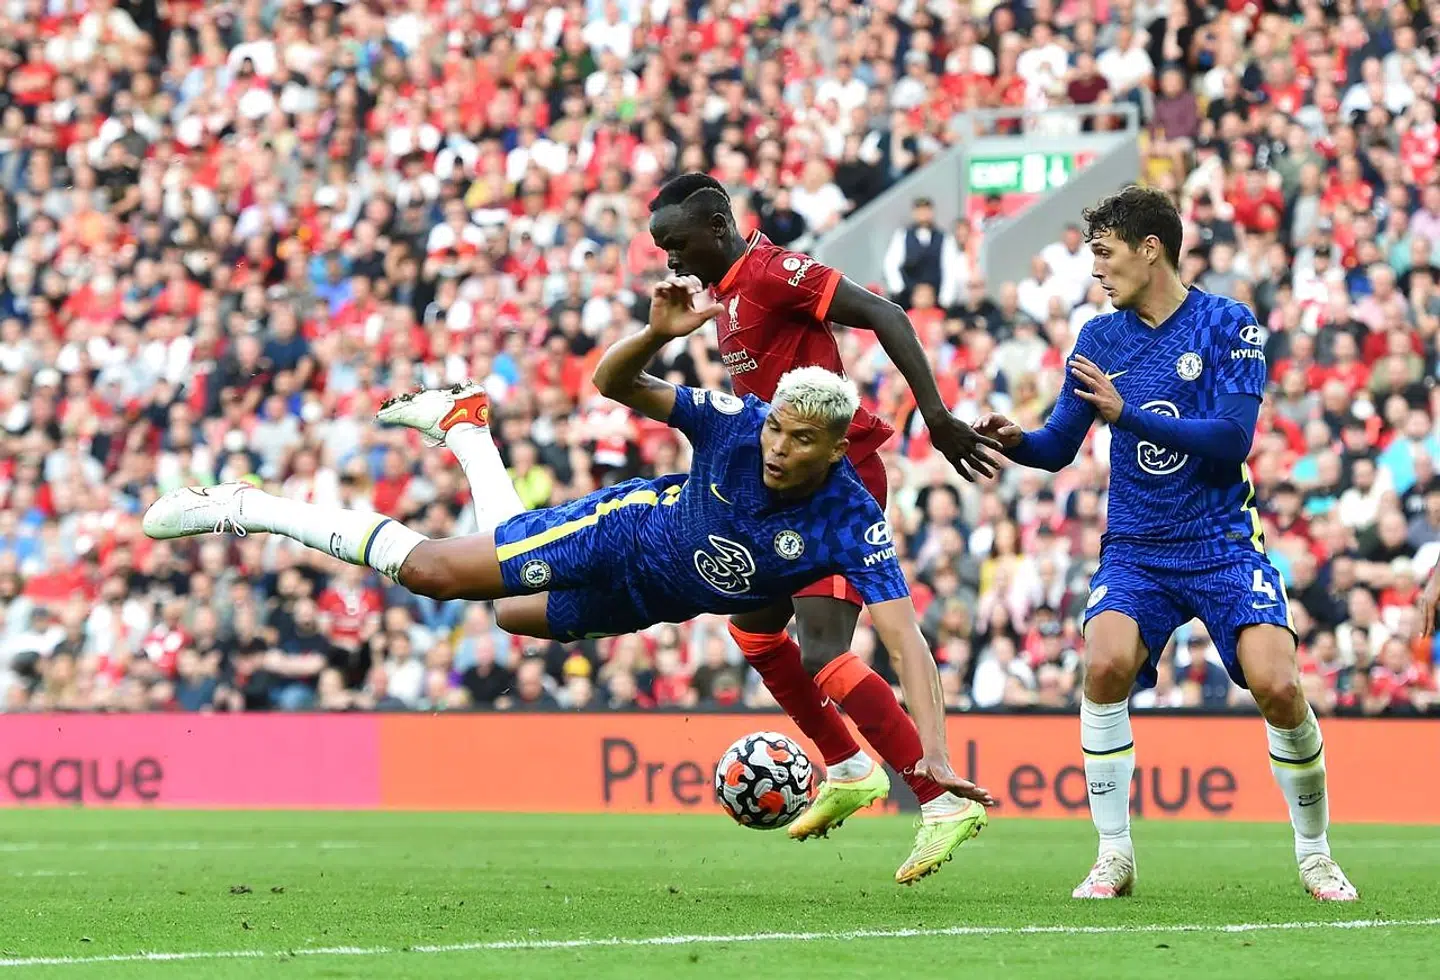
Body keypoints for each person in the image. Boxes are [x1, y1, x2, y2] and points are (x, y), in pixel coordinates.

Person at [142, 275, 993, 885]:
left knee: (513, 616)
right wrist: (660, 335)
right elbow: (614, 384)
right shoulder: (735, 425)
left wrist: (940, 757)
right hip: (617, 535)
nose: (777, 447)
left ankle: (467, 428)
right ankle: (250, 505)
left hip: (653, 599)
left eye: (800, 441)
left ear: (835, 449)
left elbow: (906, 643)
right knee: (436, 571)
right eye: (777, 429)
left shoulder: (850, 520)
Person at [974, 185, 1357, 902]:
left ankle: (1315, 854)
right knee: (1104, 664)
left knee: (1278, 687)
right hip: (1137, 550)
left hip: (1221, 544)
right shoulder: (1099, 339)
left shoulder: (1227, 324)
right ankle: (1114, 856)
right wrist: (1017, 440)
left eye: (1106, 254)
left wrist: (1128, 415)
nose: (1097, 272)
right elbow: (1060, 447)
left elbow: (1231, 440)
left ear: (1151, 250)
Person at [646, 172, 1002, 843]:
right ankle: (845, 766)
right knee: (753, 631)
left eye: (676, 242)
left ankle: (940, 799)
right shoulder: (723, 294)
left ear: (716, 228)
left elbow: (886, 314)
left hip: (842, 476)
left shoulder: (775, 273)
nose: (671, 259)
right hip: (785, 489)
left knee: (824, 650)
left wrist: (938, 416)